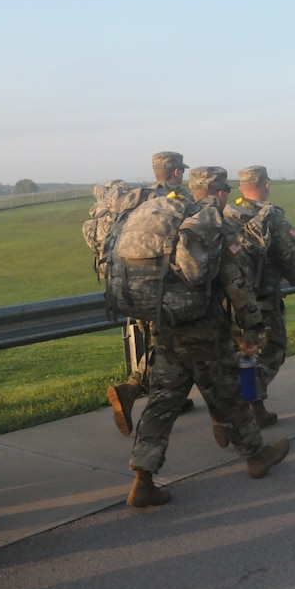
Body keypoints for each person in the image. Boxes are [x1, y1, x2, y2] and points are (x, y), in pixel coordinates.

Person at [126, 167, 290, 507]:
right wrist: (252, 329)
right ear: (219, 193)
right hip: (205, 330)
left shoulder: (170, 219)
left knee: (162, 401)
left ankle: (142, 477)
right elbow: (237, 286)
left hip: (167, 327)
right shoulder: (213, 224)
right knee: (227, 394)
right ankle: (256, 456)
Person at [108, 151, 194, 435]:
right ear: (177, 172)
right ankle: (133, 388)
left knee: (160, 342)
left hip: (128, 284)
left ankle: (156, 393)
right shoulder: (179, 199)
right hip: (164, 289)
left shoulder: (136, 197)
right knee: (174, 343)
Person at [226, 165, 295, 430]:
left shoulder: (223, 214)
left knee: (241, 352)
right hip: (262, 300)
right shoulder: (271, 217)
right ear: (267, 185)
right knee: (272, 350)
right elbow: (291, 256)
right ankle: (246, 408)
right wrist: (294, 277)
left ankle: (248, 409)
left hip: (228, 300)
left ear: (240, 188)